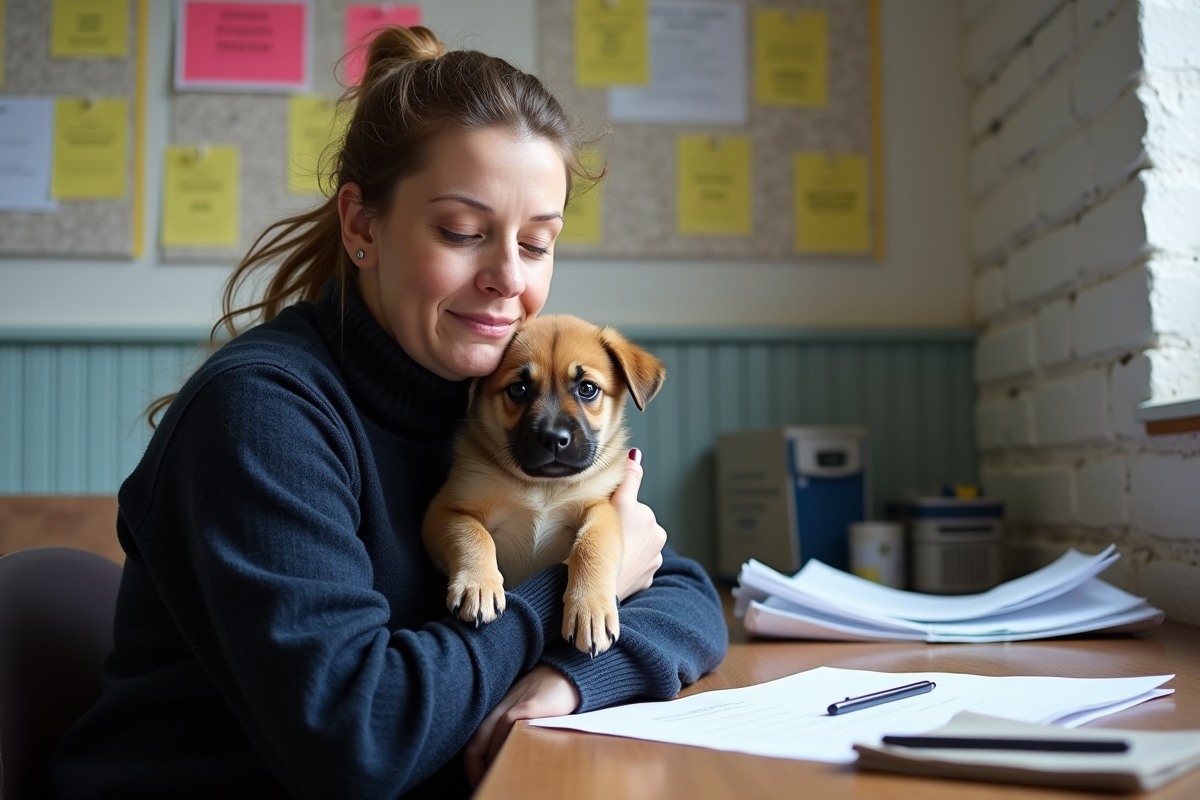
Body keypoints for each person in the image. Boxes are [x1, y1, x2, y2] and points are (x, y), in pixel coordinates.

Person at [51, 26, 727, 800]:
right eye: (463, 233)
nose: (508, 278)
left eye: (537, 243)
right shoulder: (263, 416)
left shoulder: (484, 395)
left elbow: (681, 593)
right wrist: (547, 609)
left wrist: (568, 679)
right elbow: (356, 737)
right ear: (363, 226)